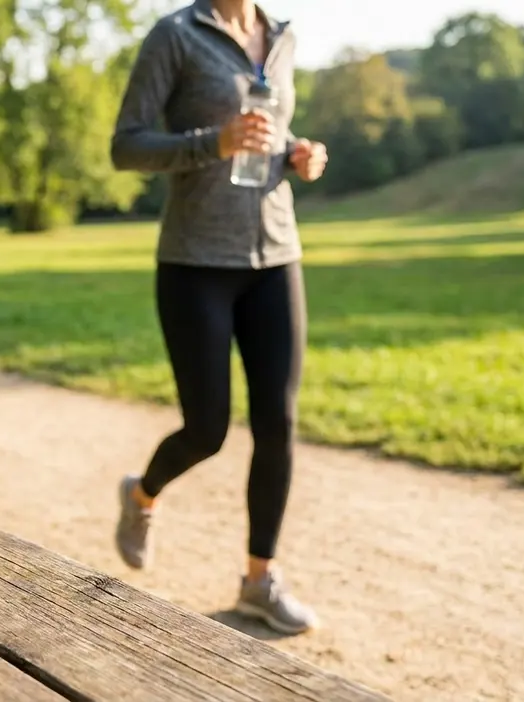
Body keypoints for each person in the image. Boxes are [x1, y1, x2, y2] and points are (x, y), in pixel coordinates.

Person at [108, 0, 328, 635]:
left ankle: (260, 581)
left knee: (278, 422)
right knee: (206, 430)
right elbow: (127, 147)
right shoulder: (175, 35)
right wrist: (216, 142)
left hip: (276, 253)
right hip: (195, 261)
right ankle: (141, 494)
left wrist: (297, 156)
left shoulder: (281, 36)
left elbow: (272, 132)